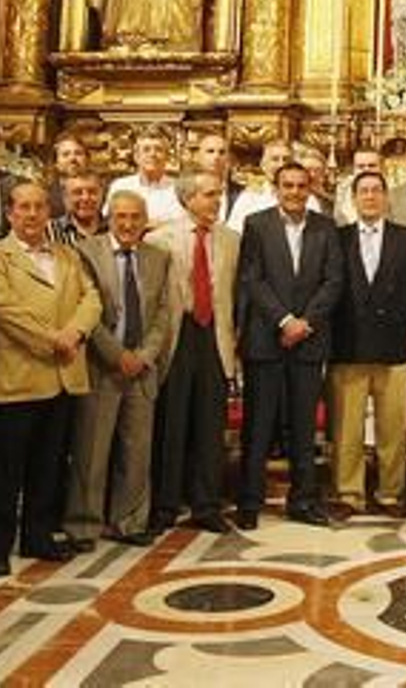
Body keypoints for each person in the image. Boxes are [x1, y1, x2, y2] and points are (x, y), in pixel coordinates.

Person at [0, 182, 101, 575]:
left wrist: (76, 333)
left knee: (49, 465)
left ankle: (38, 536)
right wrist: (53, 340)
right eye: (23, 208)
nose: (31, 215)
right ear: (10, 214)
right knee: (3, 469)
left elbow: (92, 297)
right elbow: (4, 309)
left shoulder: (67, 254)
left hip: (63, 375)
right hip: (16, 376)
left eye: (38, 207)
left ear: (49, 212)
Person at [237, 162, 345, 529]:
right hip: (266, 339)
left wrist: (305, 323)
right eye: (288, 186)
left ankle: (303, 501)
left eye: (301, 186)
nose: (295, 192)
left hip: (309, 341)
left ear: (310, 187)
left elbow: (334, 281)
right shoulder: (257, 224)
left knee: (303, 427)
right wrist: (284, 320)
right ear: (276, 187)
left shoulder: (326, 227)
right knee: (259, 425)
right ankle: (249, 502)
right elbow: (252, 279)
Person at [63, 191, 172, 551]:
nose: (128, 224)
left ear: (144, 221)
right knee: (91, 451)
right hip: (100, 366)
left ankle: (129, 520)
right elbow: (85, 310)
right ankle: (83, 524)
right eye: (121, 217)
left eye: (135, 217)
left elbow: (163, 314)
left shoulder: (159, 257)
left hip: (142, 368)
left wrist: (143, 355)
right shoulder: (87, 251)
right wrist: (116, 355)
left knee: (137, 451)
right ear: (109, 217)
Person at [327, 170, 406, 520]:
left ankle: (390, 493)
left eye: (376, 191)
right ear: (354, 199)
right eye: (364, 192)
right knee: (347, 428)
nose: (370, 197)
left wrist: (397, 317)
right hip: (348, 345)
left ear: (387, 198)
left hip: (392, 346)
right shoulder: (336, 238)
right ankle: (349, 493)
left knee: (392, 427)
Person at [149, 171, 239, 534]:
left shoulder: (232, 240)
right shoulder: (160, 239)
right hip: (177, 334)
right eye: (209, 195)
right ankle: (165, 503)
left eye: (219, 195)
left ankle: (206, 504)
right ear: (188, 198)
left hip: (215, 334)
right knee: (171, 423)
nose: (217, 201)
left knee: (209, 424)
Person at [107, 128, 184, 229]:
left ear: (167, 157)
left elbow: (185, 225)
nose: (152, 154)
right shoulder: (120, 186)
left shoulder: (179, 188)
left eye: (159, 150)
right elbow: (109, 220)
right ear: (136, 157)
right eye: (146, 150)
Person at [227, 139, 292, 229]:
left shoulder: (307, 198)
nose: (281, 165)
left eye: (286, 159)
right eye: (275, 159)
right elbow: (232, 235)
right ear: (263, 165)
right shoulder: (249, 198)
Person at [49, 170, 106, 246]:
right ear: (65, 197)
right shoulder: (49, 232)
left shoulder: (115, 229)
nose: (85, 198)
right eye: (78, 193)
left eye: (92, 192)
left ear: (102, 195)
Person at [191, 130, 242, 212]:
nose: (216, 157)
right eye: (210, 151)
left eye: (222, 152)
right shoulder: (184, 191)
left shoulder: (242, 193)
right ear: (197, 157)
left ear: (229, 158)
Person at [333, 147, 383, 226]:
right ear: (354, 168)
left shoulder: (393, 190)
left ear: (380, 167)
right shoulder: (343, 189)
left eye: (372, 165)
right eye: (361, 166)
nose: (366, 169)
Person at [48, 133, 89, 217]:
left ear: (86, 159)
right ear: (56, 163)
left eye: (78, 153)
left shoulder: (100, 193)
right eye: (66, 154)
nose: (73, 158)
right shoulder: (46, 196)